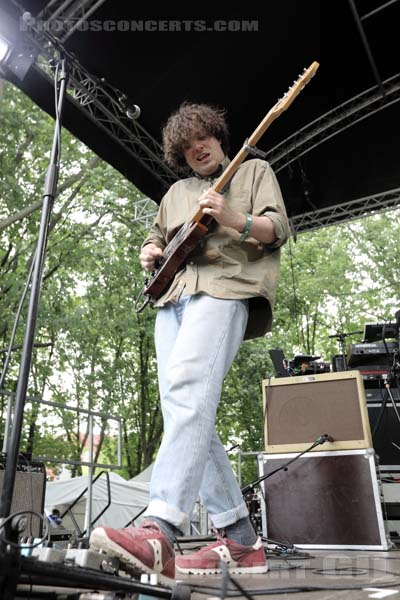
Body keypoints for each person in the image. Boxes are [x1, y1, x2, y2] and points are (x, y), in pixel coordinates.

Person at [90, 102, 290, 580]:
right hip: (172, 301)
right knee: (185, 407)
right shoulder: (177, 192)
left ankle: (160, 529)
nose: (195, 148)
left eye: (201, 137)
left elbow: (276, 229)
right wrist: (150, 250)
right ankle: (242, 540)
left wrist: (233, 218)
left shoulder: (255, 170)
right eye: (184, 146)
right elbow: (155, 238)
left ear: (218, 136)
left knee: (186, 395)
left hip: (225, 289)